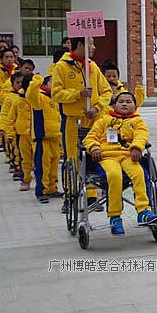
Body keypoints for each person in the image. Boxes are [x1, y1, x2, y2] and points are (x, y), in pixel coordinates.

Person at [83, 91, 157, 235]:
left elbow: (142, 135)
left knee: (139, 173)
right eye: (121, 101)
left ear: (135, 106)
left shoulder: (137, 122)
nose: (124, 103)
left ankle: (144, 211)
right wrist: (94, 147)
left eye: (128, 101)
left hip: (128, 156)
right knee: (114, 175)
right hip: (107, 157)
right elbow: (90, 138)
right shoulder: (104, 121)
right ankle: (115, 216)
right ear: (114, 105)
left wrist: (137, 147)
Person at [52, 37, 112, 211]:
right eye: (90, 43)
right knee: (72, 159)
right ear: (80, 45)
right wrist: (77, 94)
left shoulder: (92, 67)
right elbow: (56, 94)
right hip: (73, 120)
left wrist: (96, 107)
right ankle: (70, 197)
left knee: (93, 155)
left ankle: (91, 196)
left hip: (94, 119)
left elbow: (106, 91)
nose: (94, 47)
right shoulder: (62, 67)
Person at [27, 74, 63, 203]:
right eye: (52, 82)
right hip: (43, 138)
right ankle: (41, 191)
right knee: (43, 166)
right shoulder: (39, 98)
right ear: (44, 85)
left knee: (54, 166)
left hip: (55, 138)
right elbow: (30, 94)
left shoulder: (55, 99)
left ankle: (52, 188)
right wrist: (36, 81)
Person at [0, 72, 24, 179]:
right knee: (15, 149)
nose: (20, 85)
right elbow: (4, 114)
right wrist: (2, 128)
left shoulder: (26, 97)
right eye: (18, 83)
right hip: (12, 128)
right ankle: (17, 168)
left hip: (24, 128)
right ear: (12, 84)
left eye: (22, 82)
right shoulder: (9, 98)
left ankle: (24, 168)